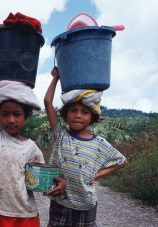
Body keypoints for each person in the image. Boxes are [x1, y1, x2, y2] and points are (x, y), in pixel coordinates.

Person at [44, 67, 127, 227]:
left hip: (86, 204)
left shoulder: (99, 143)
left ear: (92, 118)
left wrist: (96, 176)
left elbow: (121, 161)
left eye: (85, 112)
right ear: (66, 115)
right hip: (60, 202)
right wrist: (55, 78)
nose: (78, 115)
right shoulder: (60, 135)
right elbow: (47, 102)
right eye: (73, 110)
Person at [0, 76, 58, 227]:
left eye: (17, 114)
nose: (11, 120)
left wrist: (58, 184)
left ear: (25, 117)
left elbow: (43, 184)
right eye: (5, 114)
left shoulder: (31, 148)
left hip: (24, 216)